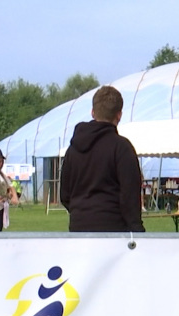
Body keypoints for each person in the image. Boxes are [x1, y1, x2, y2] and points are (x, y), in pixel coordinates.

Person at [59, 85, 145, 232]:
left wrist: (81, 213)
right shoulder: (122, 148)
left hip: (78, 228)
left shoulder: (73, 149)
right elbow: (130, 196)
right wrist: (137, 229)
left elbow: (64, 195)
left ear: (93, 112)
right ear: (119, 115)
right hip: (113, 228)